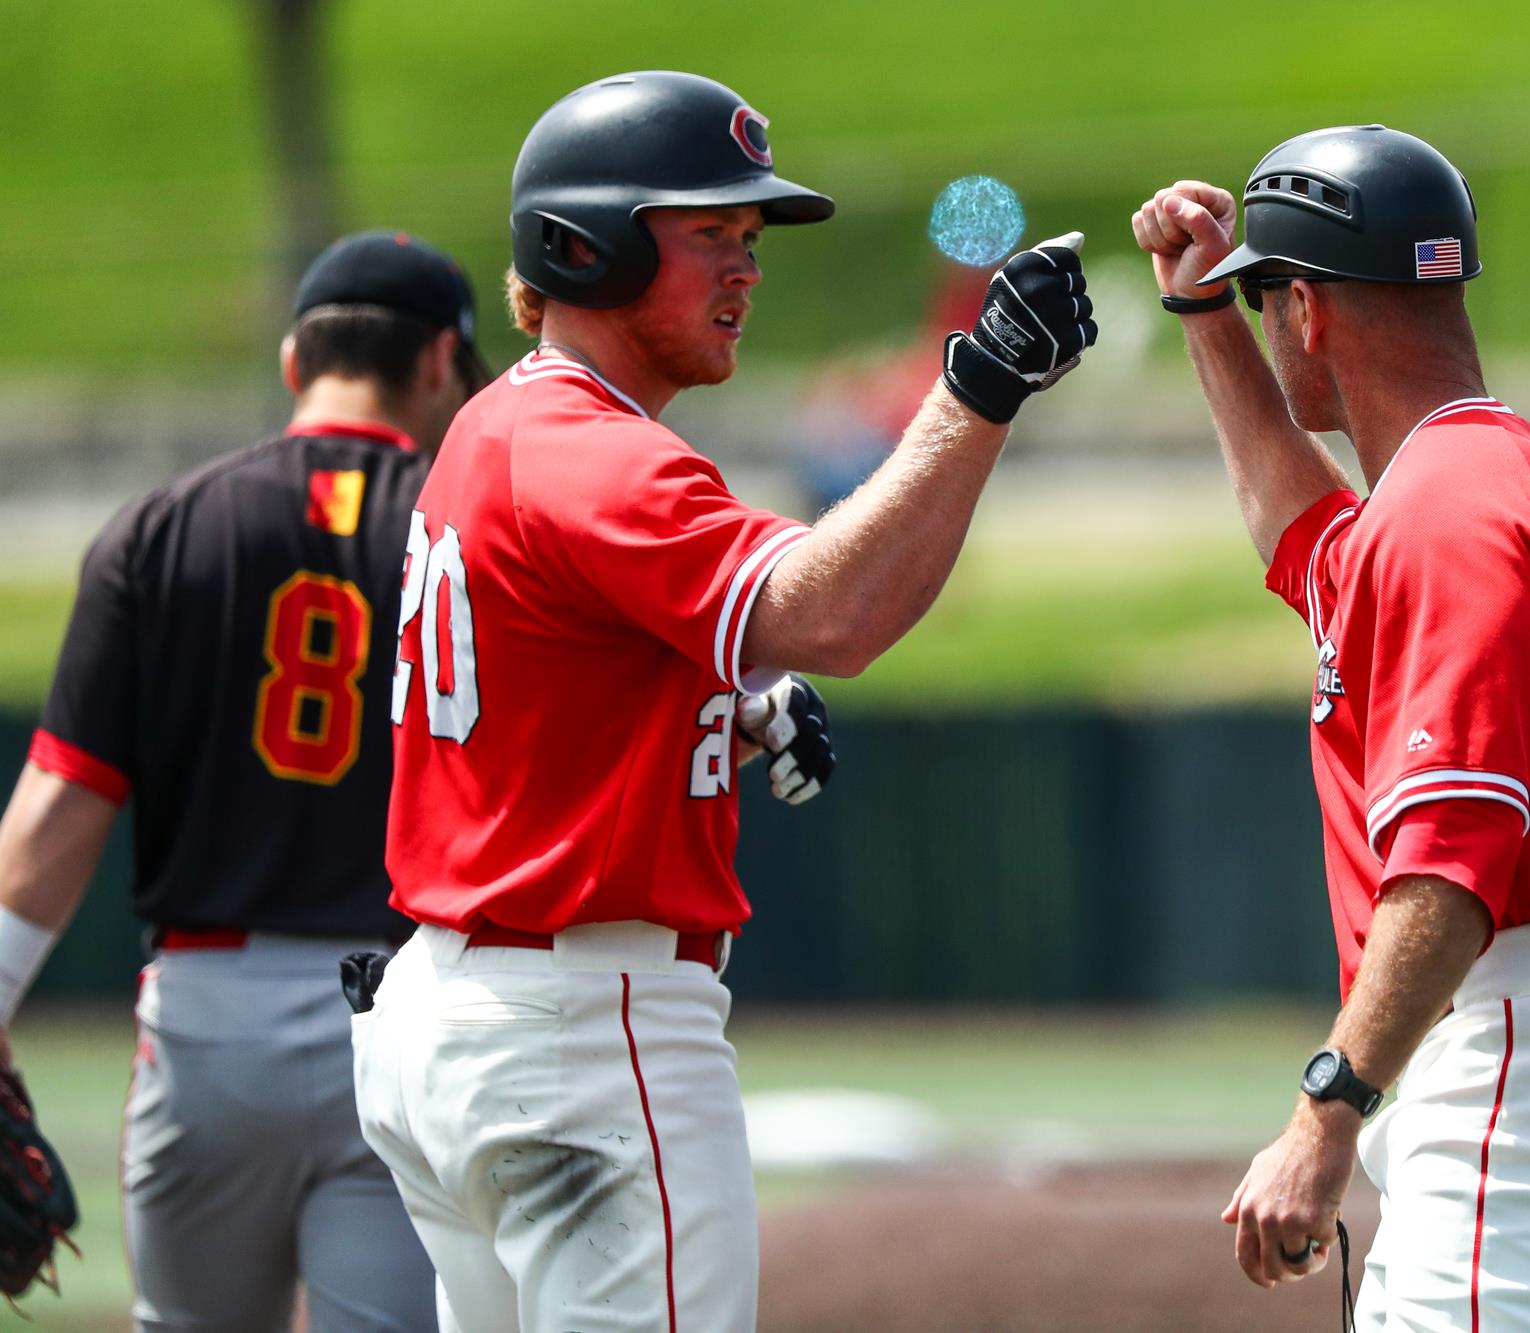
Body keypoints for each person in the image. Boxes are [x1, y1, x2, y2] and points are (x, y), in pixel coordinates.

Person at [349, 70, 1096, 1332]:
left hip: (458, 1012)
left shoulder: (494, 428)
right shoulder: (595, 448)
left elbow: (546, 712)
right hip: (584, 1030)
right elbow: (830, 614)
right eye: (708, 234)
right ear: (579, 245)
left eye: (749, 239)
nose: (745, 267)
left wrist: (724, 710)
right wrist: (980, 390)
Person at [1133, 127, 1530, 1331]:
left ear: (1306, 308)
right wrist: (1205, 319)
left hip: (1527, 1042)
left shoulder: (1443, 513)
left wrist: (1325, 1111)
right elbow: (1300, 535)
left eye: (1260, 296)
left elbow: (1447, 873)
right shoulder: (1470, 480)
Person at [0, 229, 489, 1331]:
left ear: (292, 363)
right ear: (434, 366)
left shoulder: (158, 530)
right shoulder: (474, 536)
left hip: (208, 1020)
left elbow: (64, 801)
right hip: (409, 1015)